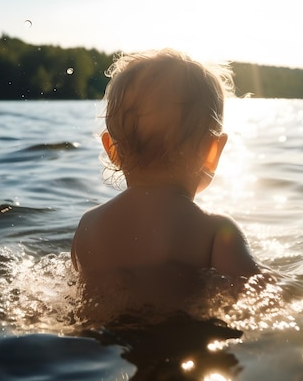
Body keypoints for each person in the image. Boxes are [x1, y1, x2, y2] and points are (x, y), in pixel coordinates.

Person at [71, 48, 259, 315]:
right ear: (212, 151)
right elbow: (259, 293)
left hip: (102, 342)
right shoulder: (215, 232)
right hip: (182, 337)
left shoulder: (88, 226)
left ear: (111, 150)